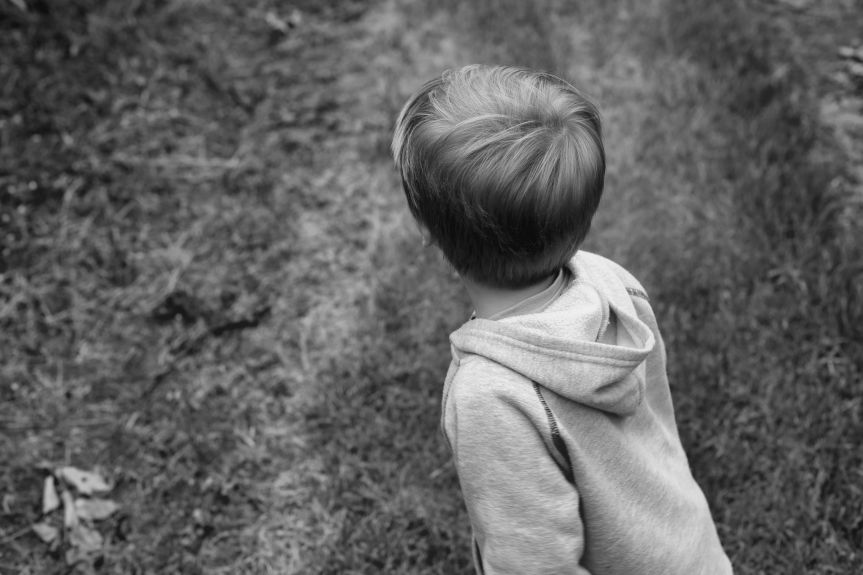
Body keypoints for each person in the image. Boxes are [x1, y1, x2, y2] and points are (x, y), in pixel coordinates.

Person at [391, 64, 733, 575]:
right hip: (686, 547)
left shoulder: (491, 395)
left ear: (426, 229)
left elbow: (533, 563)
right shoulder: (610, 282)